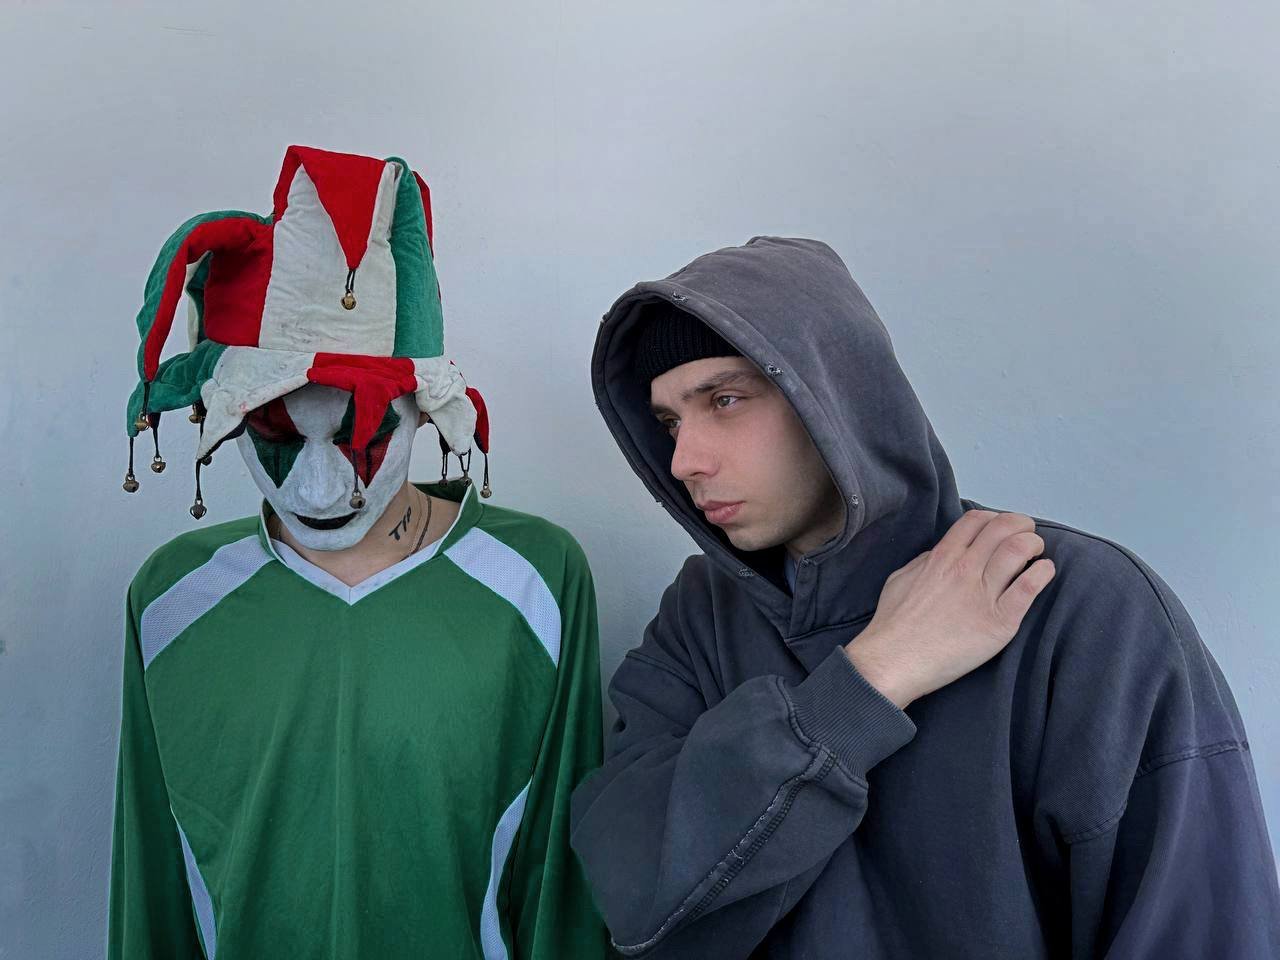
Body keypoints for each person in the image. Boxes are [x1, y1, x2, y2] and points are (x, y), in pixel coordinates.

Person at [569, 236, 1280, 958]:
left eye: (725, 400)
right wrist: (874, 676)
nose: (684, 460)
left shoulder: (1076, 605)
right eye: (670, 422)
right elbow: (635, 896)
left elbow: (1200, 933)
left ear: (833, 393)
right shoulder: (699, 618)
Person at [107, 145, 607, 959]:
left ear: (424, 406)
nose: (316, 489)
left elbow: (564, 890)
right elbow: (151, 885)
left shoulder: (536, 582)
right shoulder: (171, 597)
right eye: (273, 435)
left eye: (361, 436)